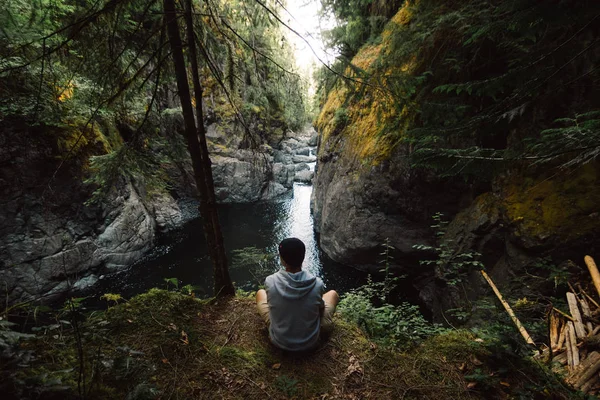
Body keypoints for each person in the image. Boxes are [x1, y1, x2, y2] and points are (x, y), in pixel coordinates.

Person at [256, 237, 339, 352]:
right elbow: (321, 309)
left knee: (260, 293)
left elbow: (270, 305)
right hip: (311, 343)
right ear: (303, 257)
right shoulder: (317, 283)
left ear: (282, 260)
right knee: (332, 294)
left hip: (278, 341)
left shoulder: (270, 281)